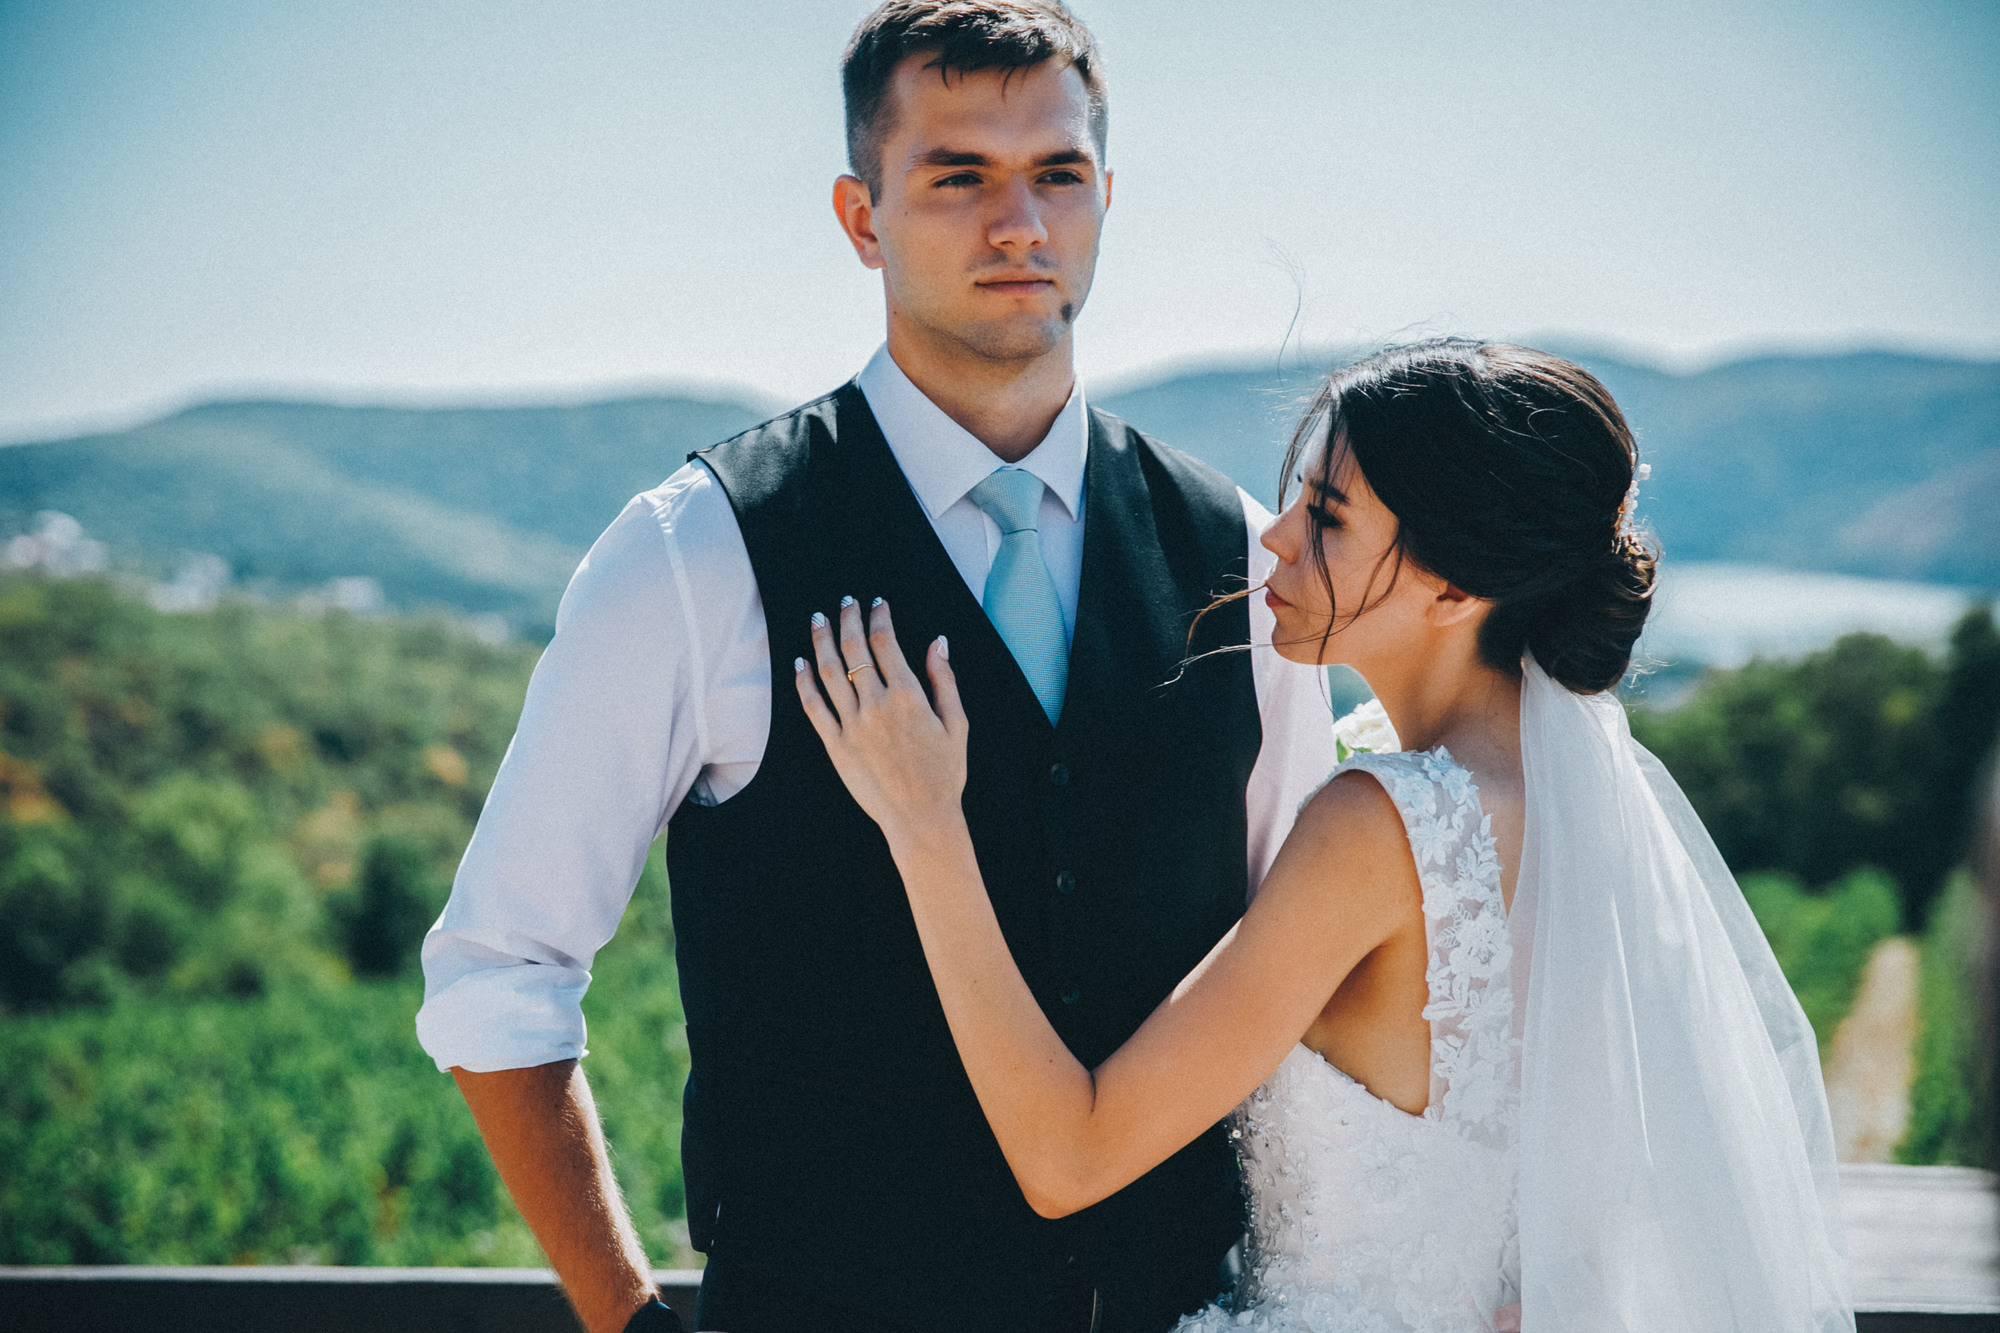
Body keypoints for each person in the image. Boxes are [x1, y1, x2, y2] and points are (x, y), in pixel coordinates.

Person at [414, 4, 1335, 1332]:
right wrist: (631, 1325)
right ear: (861, 216)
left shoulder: (1240, 558)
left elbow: (1299, 971)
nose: (1019, 221)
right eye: (958, 176)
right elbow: (500, 969)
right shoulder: (696, 555)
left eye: (1058, 174)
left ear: (1106, 199)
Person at [799, 340, 1858, 1332]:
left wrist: (924, 821)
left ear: (1452, 585)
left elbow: (1068, 1155)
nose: (1273, 534)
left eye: (1328, 516)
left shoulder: (1379, 824)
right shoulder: (1569, 808)